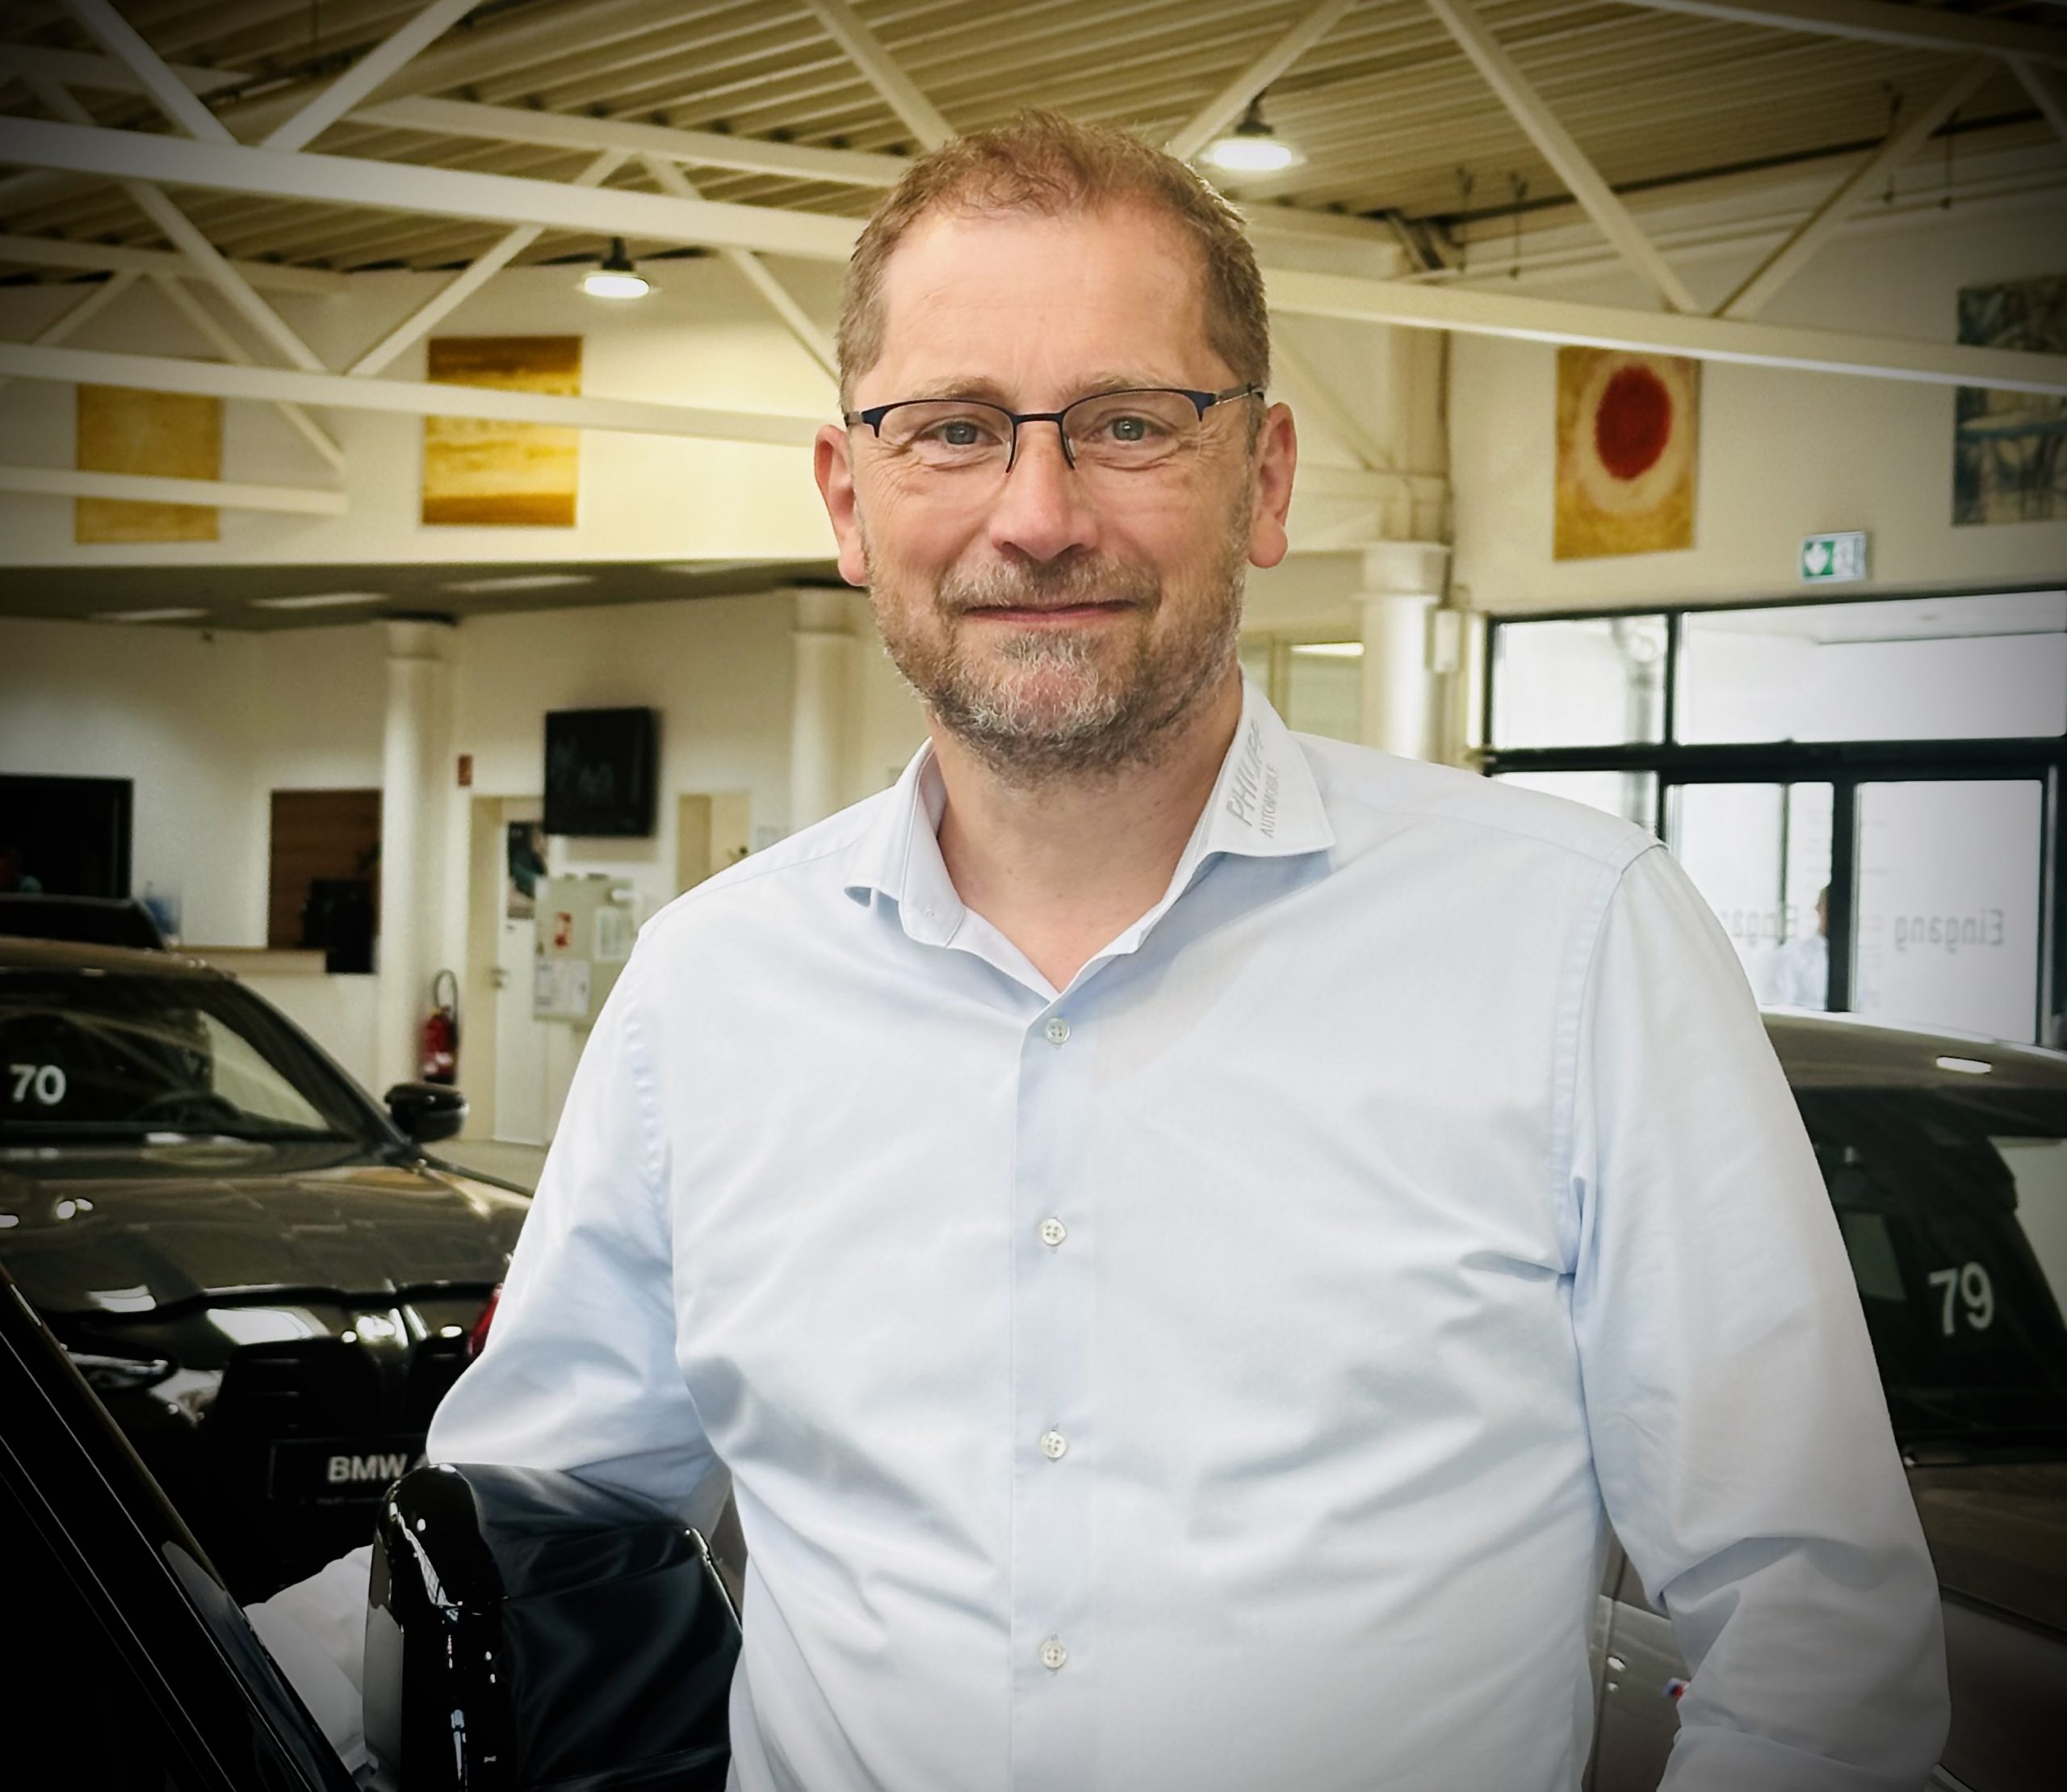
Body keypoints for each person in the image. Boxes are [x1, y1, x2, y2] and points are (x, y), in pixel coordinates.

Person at [258, 114, 1945, 1790]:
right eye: (952, 429)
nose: (1038, 512)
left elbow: (1813, 1628)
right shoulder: (709, 994)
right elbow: (522, 1524)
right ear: (850, 500)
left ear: (1264, 478)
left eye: (1129, 423)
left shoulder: (1571, 943)